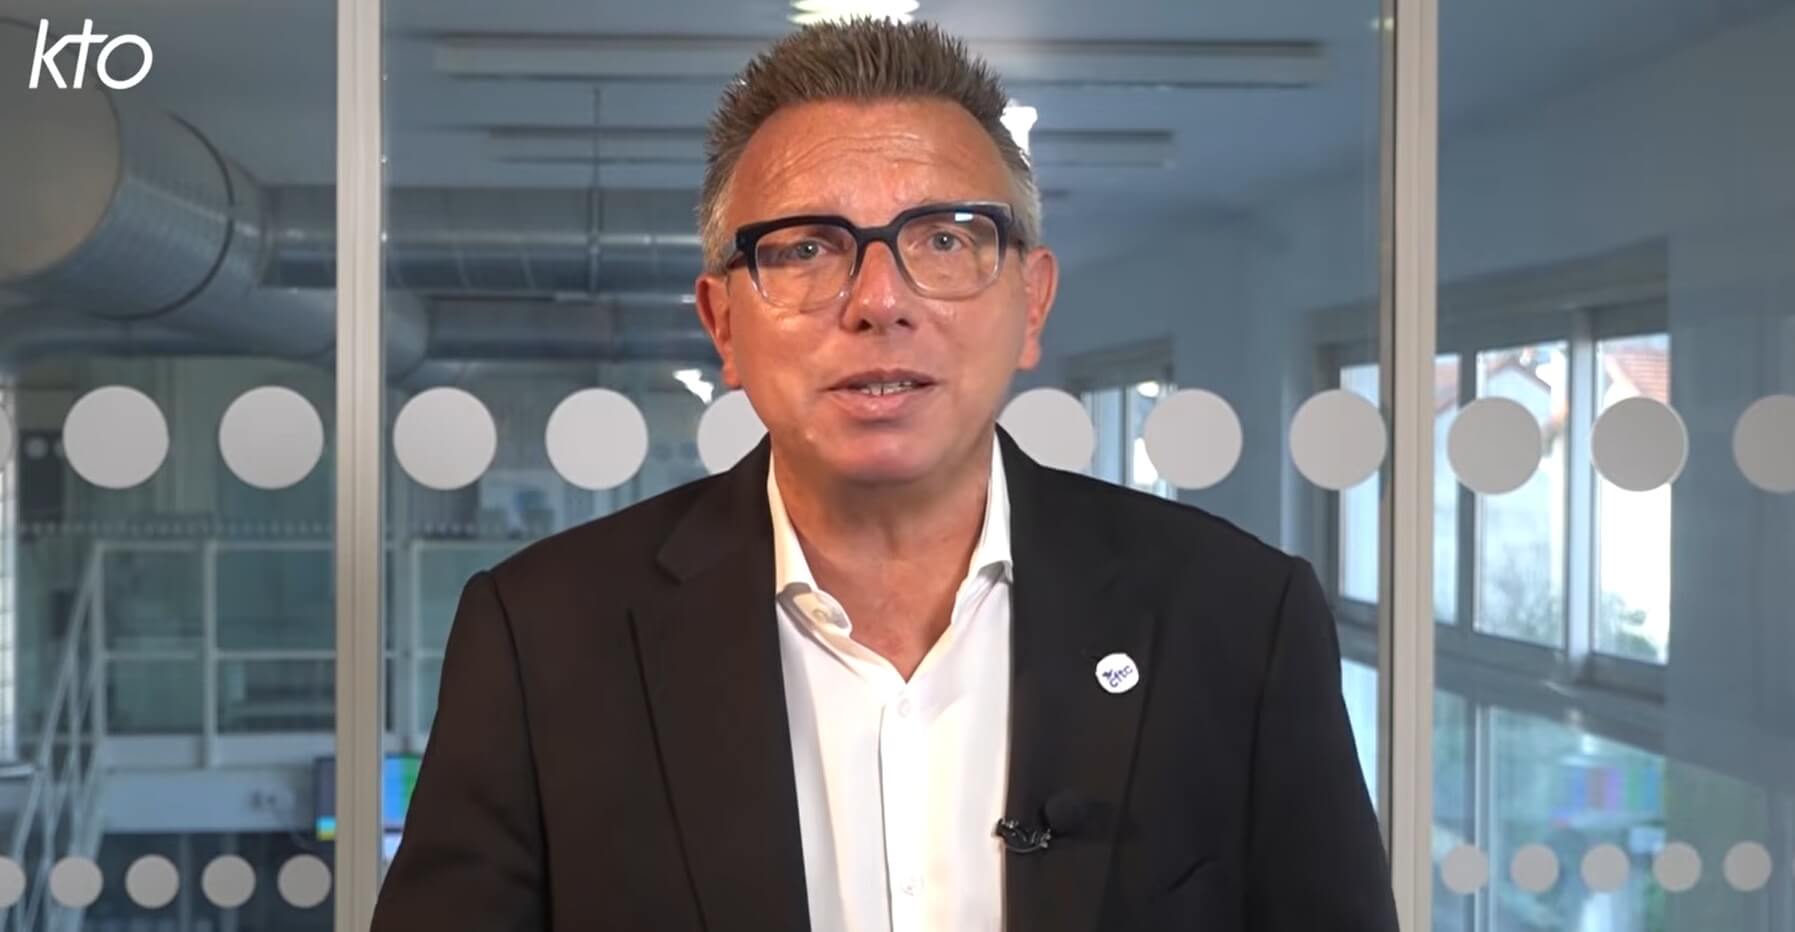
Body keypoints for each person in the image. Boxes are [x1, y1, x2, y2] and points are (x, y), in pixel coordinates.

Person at [370, 17, 1397, 932]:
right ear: (722, 324)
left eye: (944, 239)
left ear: (1031, 304)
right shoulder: (543, 635)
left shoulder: (1237, 618)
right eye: (805, 248)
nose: (876, 301)